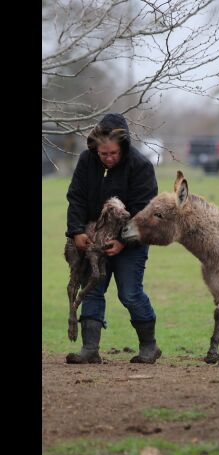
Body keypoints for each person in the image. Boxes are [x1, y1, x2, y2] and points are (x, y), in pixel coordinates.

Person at [65, 113, 161, 365]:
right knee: (93, 289)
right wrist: (76, 231)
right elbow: (75, 197)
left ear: (124, 146)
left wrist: (122, 242)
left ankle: (149, 347)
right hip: (93, 238)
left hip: (132, 240)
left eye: (113, 154)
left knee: (129, 294)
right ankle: (89, 349)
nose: (107, 158)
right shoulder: (87, 161)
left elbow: (144, 213)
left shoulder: (140, 166)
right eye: (102, 153)